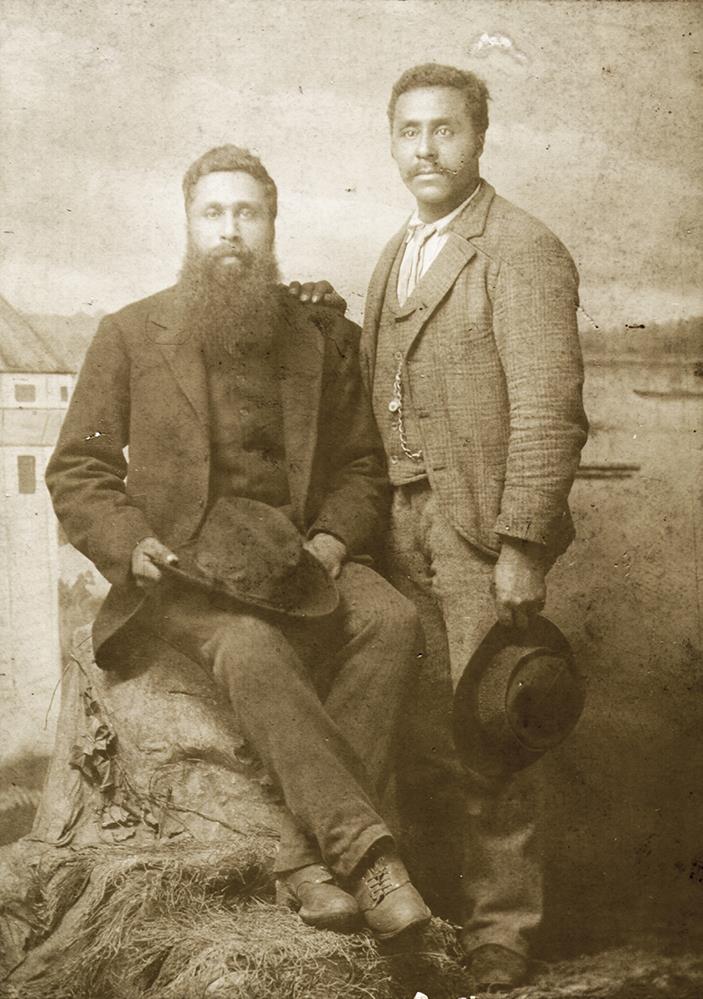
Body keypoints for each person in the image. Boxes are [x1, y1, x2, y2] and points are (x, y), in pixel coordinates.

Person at [45, 144, 431, 941]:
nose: (230, 230)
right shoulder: (129, 332)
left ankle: (300, 853)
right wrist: (133, 545)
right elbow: (79, 467)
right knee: (251, 647)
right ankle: (369, 862)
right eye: (213, 213)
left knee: (391, 621)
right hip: (184, 569)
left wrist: (330, 540)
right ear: (189, 226)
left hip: (294, 556)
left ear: (271, 224)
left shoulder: (318, 335)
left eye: (246, 212)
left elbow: (363, 466)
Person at [360, 64, 588, 988]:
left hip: (478, 532)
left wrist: (522, 546)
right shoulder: (395, 252)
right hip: (394, 525)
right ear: (391, 141)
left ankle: (502, 930)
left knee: (489, 725)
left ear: (479, 138)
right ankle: (439, 917)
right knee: (417, 727)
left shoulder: (522, 248)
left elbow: (548, 407)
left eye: (445, 129)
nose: (426, 147)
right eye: (409, 130)